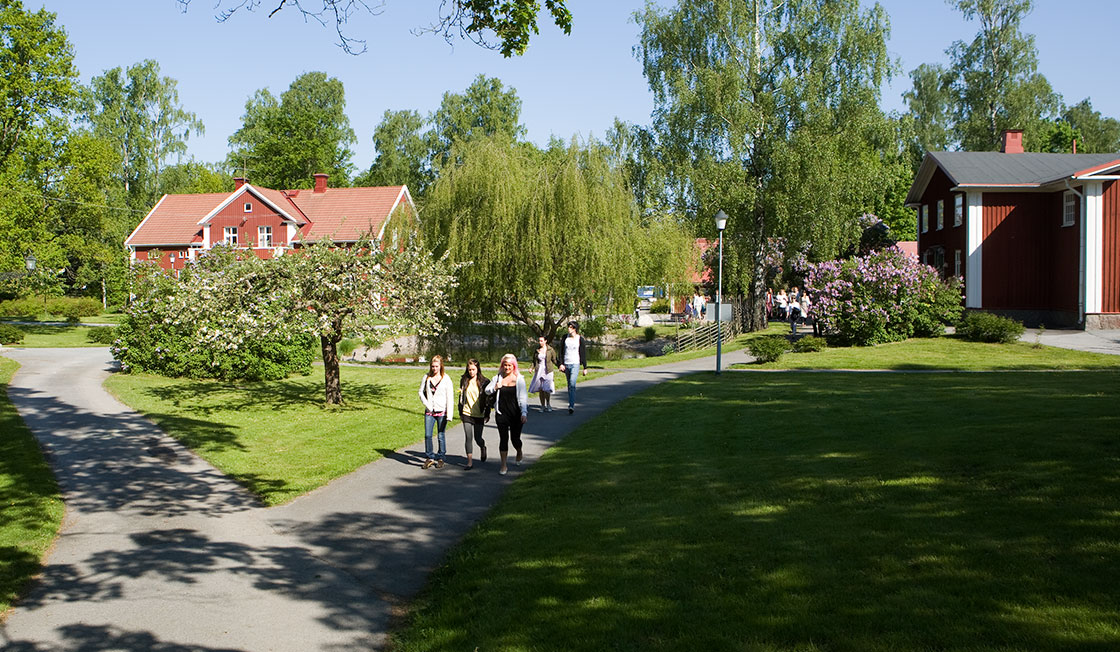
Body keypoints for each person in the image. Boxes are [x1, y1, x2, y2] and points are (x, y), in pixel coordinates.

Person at [485, 353, 528, 475]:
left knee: (515, 439)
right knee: (503, 439)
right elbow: (487, 391)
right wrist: (495, 387)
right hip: (501, 413)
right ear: (502, 366)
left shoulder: (519, 379)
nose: (507, 368)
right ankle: (503, 465)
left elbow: (523, 397)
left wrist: (524, 413)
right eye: (505, 365)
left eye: (509, 365)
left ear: (514, 366)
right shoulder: (497, 378)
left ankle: (519, 451)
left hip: (516, 414)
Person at [418, 355, 454, 469]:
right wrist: (427, 404)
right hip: (430, 410)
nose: (434, 369)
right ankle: (429, 457)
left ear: (441, 366)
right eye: (432, 366)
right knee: (428, 435)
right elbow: (420, 392)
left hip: (441, 410)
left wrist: (449, 414)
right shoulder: (427, 377)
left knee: (440, 435)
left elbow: (450, 396)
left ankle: (441, 457)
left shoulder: (446, 378)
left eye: (436, 366)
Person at [458, 359, 490, 470]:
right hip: (466, 412)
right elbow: (461, 397)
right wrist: (460, 410)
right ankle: (469, 462)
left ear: (478, 369)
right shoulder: (464, 380)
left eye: (473, 369)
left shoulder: (484, 382)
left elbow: (488, 400)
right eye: (469, 369)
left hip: (479, 414)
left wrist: (487, 413)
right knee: (468, 437)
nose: (471, 372)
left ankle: (482, 446)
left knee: (477, 438)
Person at [558, 321, 587, 415]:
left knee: (572, 383)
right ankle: (571, 402)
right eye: (568, 327)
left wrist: (585, 367)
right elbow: (561, 352)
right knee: (569, 385)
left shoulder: (580, 339)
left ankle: (571, 405)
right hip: (566, 363)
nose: (569, 329)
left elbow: (583, 353)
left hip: (575, 363)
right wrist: (561, 364)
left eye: (571, 327)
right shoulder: (564, 338)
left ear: (575, 329)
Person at [528, 336, 557, 412]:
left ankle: (548, 404)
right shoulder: (537, 350)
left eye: (541, 341)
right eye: (539, 341)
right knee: (541, 388)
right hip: (539, 369)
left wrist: (560, 365)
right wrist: (531, 368)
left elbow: (554, 359)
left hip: (548, 370)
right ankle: (542, 405)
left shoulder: (550, 350)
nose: (540, 342)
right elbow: (534, 361)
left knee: (546, 388)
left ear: (545, 341)